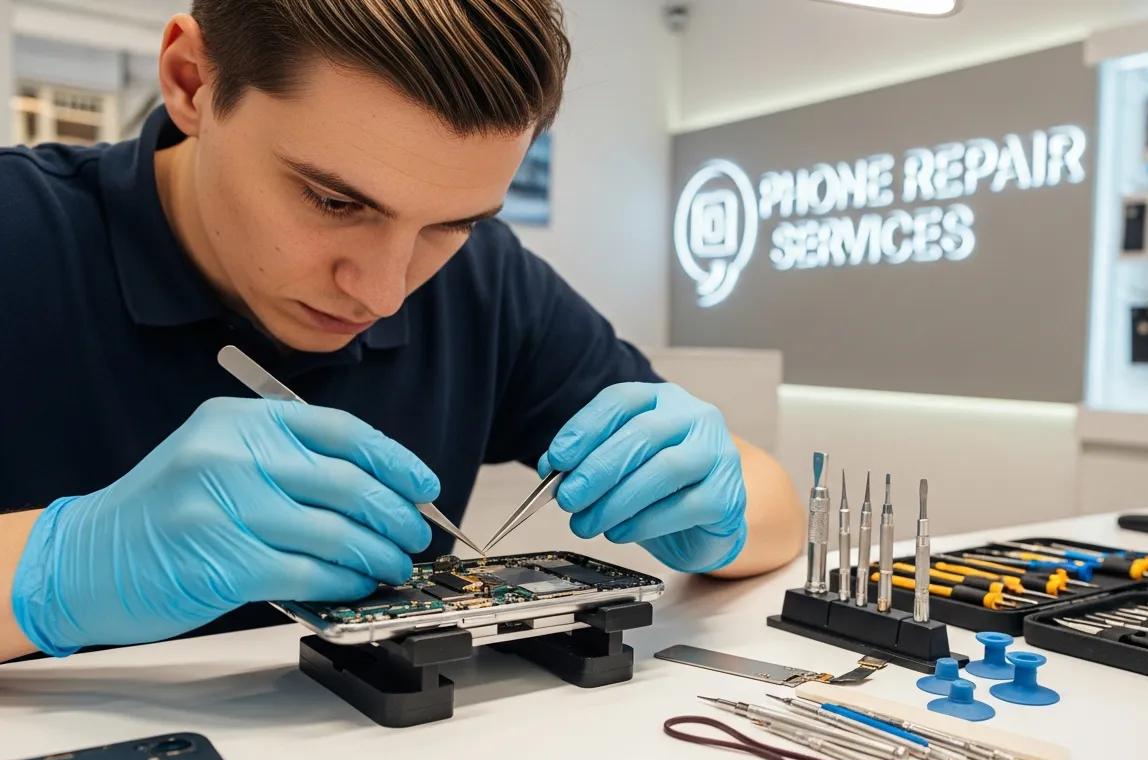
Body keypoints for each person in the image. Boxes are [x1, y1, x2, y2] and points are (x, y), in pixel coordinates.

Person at [0, 0, 802, 663]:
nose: (384, 292)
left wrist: (714, 503)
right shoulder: (20, 233)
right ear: (191, 82)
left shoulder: (485, 279)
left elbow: (771, 505)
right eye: (334, 202)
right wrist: (55, 570)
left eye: (450, 223)